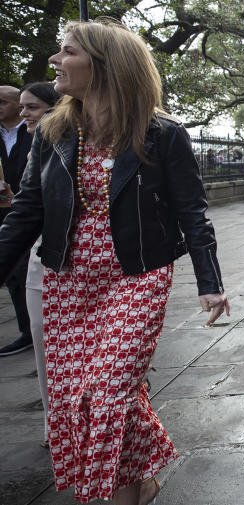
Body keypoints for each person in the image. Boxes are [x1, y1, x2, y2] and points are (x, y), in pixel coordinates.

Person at [0, 20, 230, 504]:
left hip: (137, 276)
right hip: (69, 280)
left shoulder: (161, 133)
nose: (54, 62)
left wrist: (210, 282)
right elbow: (26, 212)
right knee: (79, 400)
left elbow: (192, 210)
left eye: (67, 52)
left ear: (102, 64)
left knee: (103, 394)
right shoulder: (52, 132)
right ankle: (139, 485)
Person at [14, 82, 61, 447]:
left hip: (77, 254)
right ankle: (54, 421)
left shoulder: (59, 142)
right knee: (42, 338)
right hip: (38, 253)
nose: (23, 114)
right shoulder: (24, 144)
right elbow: (25, 208)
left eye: (31, 107)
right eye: (21, 107)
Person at [0, 85, 34, 357]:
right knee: (14, 273)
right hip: (6, 208)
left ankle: (37, 328)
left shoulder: (35, 130)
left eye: (3, 102)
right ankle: (28, 330)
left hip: (30, 207)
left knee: (30, 271)